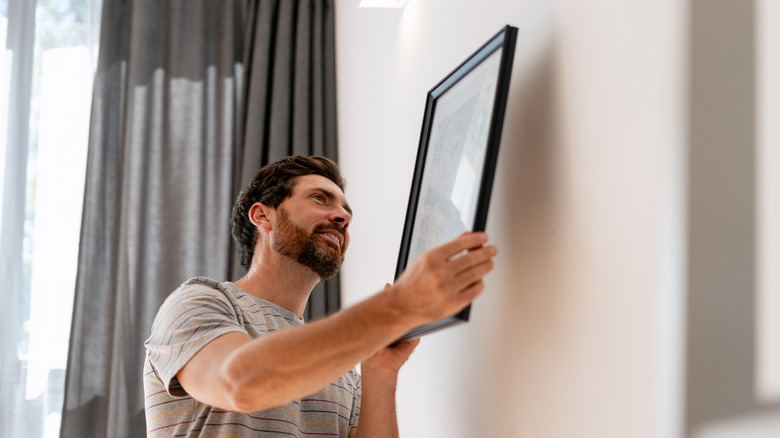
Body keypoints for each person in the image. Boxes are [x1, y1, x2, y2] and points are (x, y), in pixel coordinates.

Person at [143, 155, 497, 437]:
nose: (341, 216)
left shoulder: (339, 365)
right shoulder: (197, 302)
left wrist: (379, 370)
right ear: (262, 216)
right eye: (320, 198)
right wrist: (395, 307)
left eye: (346, 211)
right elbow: (241, 384)